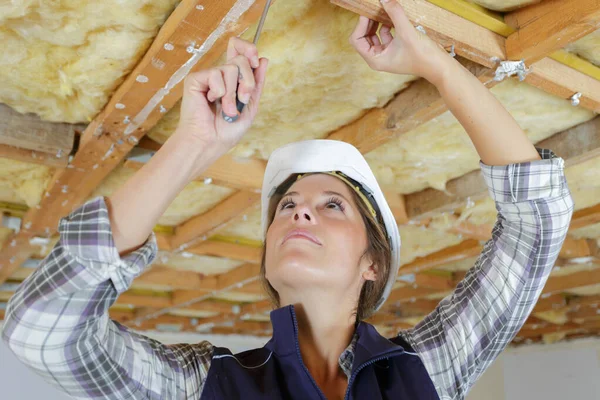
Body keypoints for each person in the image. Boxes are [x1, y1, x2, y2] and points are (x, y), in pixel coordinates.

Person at [2, 1, 573, 399]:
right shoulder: (202, 385)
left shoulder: (425, 371)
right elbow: (42, 331)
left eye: (332, 206)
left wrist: (436, 65)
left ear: (372, 264)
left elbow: (537, 218)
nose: (298, 210)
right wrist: (193, 143)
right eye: (287, 206)